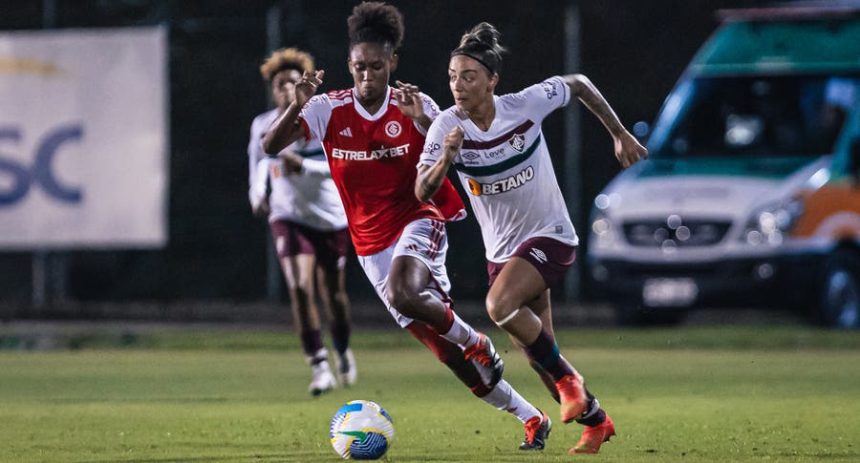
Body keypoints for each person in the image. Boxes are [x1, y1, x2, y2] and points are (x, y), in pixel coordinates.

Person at [264, 2, 552, 451]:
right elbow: (270, 145)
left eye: (376, 67)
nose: (366, 77)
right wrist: (295, 107)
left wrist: (423, 122)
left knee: (406, 293)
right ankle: (531, 416)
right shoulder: (326, 109)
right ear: (349, 65)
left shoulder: (417, 107)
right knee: (450, 357)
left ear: (392, 63)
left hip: (419, 220)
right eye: (359, 67)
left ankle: (475, 338)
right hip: (370, 247)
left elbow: (444, 163)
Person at [417, 22, 647, 455]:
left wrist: (619, 133)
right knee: (539, 355)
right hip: (503, 253)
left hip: (551, 236)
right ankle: (597, 421)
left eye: (468, 76)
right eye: (452, 76)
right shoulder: (446, 127)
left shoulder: (523, 105)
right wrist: (446, 158)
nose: (458, 85)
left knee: (499, 307)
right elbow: (421, 191)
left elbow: (578, 84)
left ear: (492, 81)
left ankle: (571, 382)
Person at [248, 47, 355, 396]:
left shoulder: (320, 121)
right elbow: (259, 162)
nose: (284, 90)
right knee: (298, 286)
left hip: (330, 217)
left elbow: (341, 167)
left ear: (303, 86)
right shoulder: (263, 125)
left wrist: (303, 166)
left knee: (334, 295)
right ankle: (318, 364)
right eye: (279, 84)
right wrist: (257, 194)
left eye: (291, 83)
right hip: (288, 215)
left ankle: (341, 349)